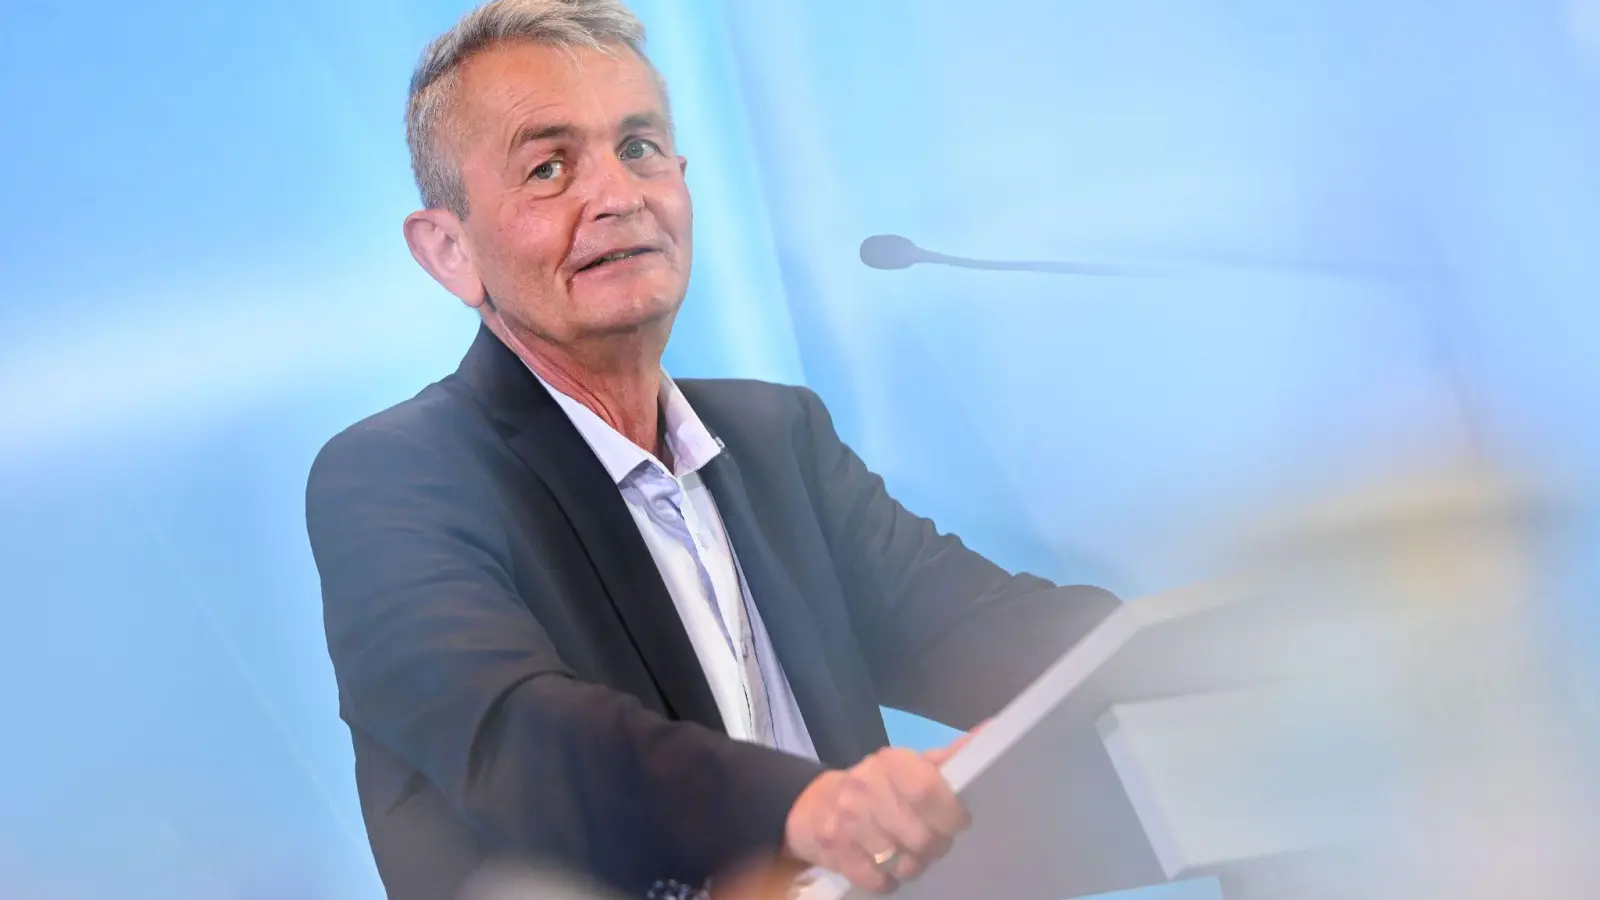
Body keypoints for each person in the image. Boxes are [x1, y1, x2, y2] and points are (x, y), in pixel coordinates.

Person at [304, 2, 1119, 898]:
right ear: (450, 250)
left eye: (641, 147)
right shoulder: (396, 477)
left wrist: (1218, 646)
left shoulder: (777, 441)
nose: (617, 195)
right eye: (548, 167)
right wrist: (800, 809)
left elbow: (979, 629)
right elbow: (518, 737)